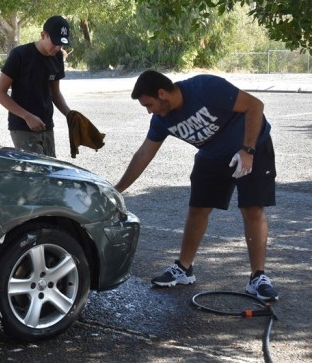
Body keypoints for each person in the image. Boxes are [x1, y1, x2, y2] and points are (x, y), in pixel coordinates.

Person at [115, 70, 278, 302]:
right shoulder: (162, 120)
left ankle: (258, 277)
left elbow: (255, 106)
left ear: (162, 93)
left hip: (252, 146)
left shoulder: (206, 88)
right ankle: (183, 269)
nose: (149, 111)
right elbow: (144, 154)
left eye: (149, 104)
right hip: (212, 154)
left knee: (252, 208)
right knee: (198, 208)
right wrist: (118, 188)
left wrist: (248, 150)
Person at [0, 15, 73, 157]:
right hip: (23, 127)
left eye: (61, 45)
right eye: (54, 43)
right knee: (37, 174)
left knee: (51, 172)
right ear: (43, 35)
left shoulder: (57, 57)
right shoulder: (20, 55)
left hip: (47, 126)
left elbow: (55, 93)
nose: (57, 48)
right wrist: (27, 116)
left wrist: (70, 115)